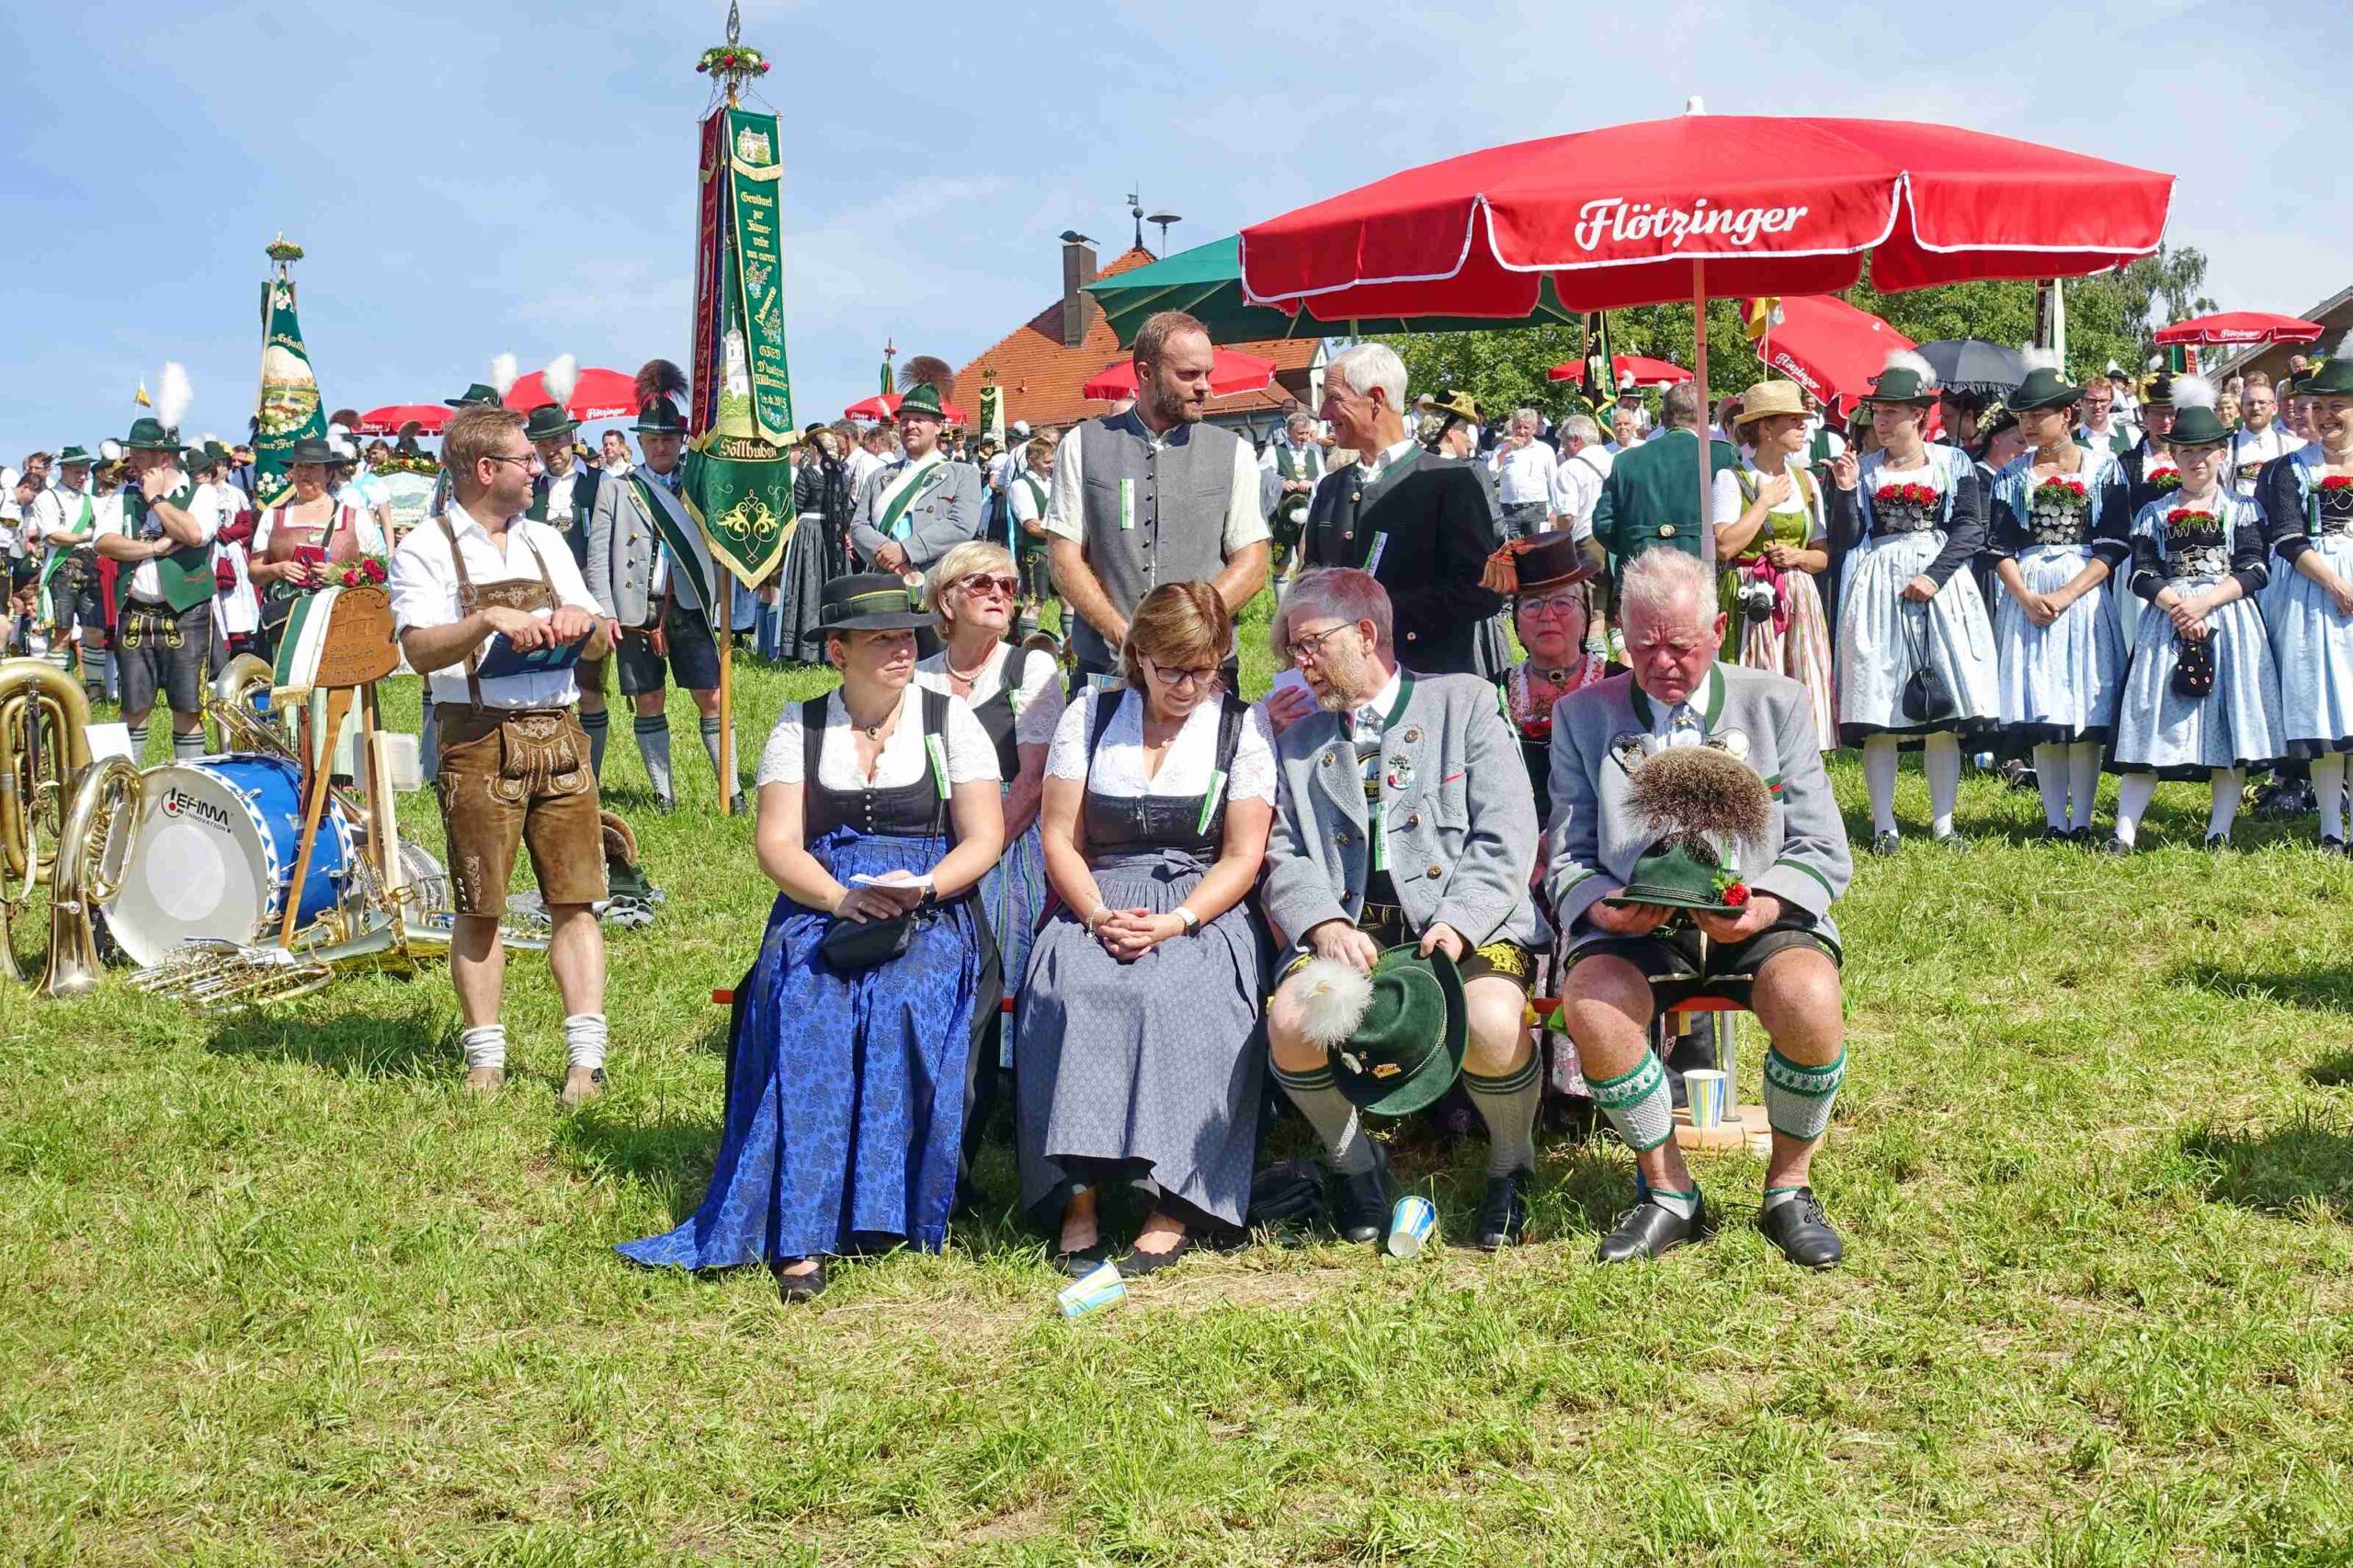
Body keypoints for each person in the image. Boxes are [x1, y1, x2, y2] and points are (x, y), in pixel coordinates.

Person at [618, 574, 1004, 1301]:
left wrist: (922, 888)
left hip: (930, 904)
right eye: (881, 639)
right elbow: (776, 844)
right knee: (808, 1003)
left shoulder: (951, 721)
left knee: (903, 998)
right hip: (822, 901)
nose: (902, 649)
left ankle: (879, 1209)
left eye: (906, 636)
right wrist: (839, 898)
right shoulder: (800, 725)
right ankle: (800, 1227)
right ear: (838, 651)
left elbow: (984, 837)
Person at [1547, 548, 1851, 1266]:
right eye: (1643, 646)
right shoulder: (1582, 716)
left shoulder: (1776, 702)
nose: (1662, 664)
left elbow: (1822, 845)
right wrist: (1602, 906)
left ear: (1718, 630)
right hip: (1634, 924)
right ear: (1619, 635)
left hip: (1761, 913)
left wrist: (1766, 906)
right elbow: (1567, 851)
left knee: (1810, 997)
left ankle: (1789, 1189)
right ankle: (1668, 1192)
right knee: (1592, 1004)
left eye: (1680, 647)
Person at [1260, 569, 1548, 1251]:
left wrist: (1460, 921)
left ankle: (1512, 1163)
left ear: (1366, 633)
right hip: (1348, 935)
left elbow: (1509, 830)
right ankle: (1355, 1164)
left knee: (1492, 1022)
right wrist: (1324, 922)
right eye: (1294, 649)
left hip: (1467, 925)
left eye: (1311, 644)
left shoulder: (1466, 702)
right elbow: (1282, 850)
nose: (1300, 662)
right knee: (1293, 1020)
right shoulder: (1296, 740)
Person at [1017, 582, 1273, 1277]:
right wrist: (1096, 913)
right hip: (1099, 894)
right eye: (1172, 671)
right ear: (1139, 658)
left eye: (1204, 670)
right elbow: (1059, 837)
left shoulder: (1241, 728)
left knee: (1178, 994)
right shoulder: (1091, 716)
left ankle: (1174, 1200)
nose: (1188, 687)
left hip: (1199, 904)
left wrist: (1177, 921)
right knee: (1070, 986)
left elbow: (1242, 855)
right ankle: (1078, 1197)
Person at [386, 404, 613, 1106]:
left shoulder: (546, 541)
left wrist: (583, 623)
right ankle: (485, 1063)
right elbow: (417, 649)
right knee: (480, 902)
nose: (537, 468)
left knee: (576, 898)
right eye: (525, 459)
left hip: (561, 733)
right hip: (477, 737)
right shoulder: (425, 548)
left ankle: (586, 1063)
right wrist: (485, 620)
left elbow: (601, 637)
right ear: (487, 470)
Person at [1827, 351, 2000, 852]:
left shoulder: (1952, 463)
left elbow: (1970, 529)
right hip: (1878, 585)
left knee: (1942, 713)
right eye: (1878, 412)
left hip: (1940, 586)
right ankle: (1884, 826)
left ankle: (1945, 824)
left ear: (1919, 415)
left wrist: (1934, 576)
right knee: (1878, 708)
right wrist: (1844, 493)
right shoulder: (1862, 469)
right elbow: (1847, 538)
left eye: (1892, 412)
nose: (1881, 421)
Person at [1043, 312, 1269, 690]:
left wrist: (1185, 629)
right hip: (1106, 665)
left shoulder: (1235, 452)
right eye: (1189, 374)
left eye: (1207, 374)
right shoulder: (1082, 444)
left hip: (1202, 668)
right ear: (1145, 374)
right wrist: (1121, 633)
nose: (1205, 387)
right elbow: (1064, 558)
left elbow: (1253, 564)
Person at [2108, 376, 2284, 852]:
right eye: (2187, 451)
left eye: (2206, 450)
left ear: (2223, 453)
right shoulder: (2154, 512)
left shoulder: (2243, 509)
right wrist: (2178, 607)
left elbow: (2255, 569)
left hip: (2228, 618)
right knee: (2149, 718)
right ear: (2173, 455)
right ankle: (2124, 832)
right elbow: (2141, 573)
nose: (2197, 459)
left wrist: (2205, 603)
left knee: (2229, 720)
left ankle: (2219, 830)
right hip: (2167, 620)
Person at [915, 540, 1063, 1082]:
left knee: (1003, 909)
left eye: (1008, 585)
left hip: (1008, 829)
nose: (1000, 594)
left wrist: (978, 848)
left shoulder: (1029, 667)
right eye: (982, 583)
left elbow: (1034, 779)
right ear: (946, 600)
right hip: (930, 823)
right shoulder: (918, 676)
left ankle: (1001, 1065)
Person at [1984, 358, 2134, 840]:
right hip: (2028, 588)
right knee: (2042, 703)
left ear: (2067, 415)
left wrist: (2068, 593)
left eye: (2038, 415)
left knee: (2082, 704)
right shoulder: (2011, 476)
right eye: (2023, 416)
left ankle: (2084, 819)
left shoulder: (2104, 468)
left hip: (2083, 592)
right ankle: (2054, 820)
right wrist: (2025, 596)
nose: (2028, 424)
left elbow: (2113, 543)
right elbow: (1999, 546)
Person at [1290, 345, 1500, 682]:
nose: (1324, 413)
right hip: (1344, 686)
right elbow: (1310, 578)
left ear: (1375, 399)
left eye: (1333, 399)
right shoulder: (1331, 487)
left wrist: (1378, 611)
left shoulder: (1450, 481)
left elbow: (1483, 592)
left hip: (1424, 682)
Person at [585, 367, 730, 813]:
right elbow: (599, 556)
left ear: (681, 441)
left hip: (691, 604)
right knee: (648, 699)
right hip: (635, 610)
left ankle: (731, 789)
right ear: (641, 443)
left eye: (668, 439)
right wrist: (606, 611)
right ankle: (663, 795)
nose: (661, 447)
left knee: (712, 696)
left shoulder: (702, 486)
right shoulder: (617, 489)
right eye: (652, 440)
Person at [2257, 351, 2353, 848]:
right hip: (2312, 591)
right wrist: (2337, 584)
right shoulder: (2288, 469)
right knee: (2323, 711)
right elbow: (2288, 538)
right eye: (2318, 407)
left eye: (2336, 406)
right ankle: (2331, 827)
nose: (2325, 416)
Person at [97, 416, 230, 762]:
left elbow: (194, 534)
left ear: (164, 458)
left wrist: (156, 499)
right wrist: (152, 548)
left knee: (187, 707)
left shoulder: (201, 493)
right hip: (136, 610)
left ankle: (187, 782)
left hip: (187, 612)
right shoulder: (125, 494)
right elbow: (104, 541)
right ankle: (122, 782)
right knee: (132, 706)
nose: (131, 462)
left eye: (139, 455)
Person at [1714, 381, 1836, 748]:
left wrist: (1799, 557)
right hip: (1750, 595)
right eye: (1793, 420)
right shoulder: (1731, 478)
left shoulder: (1806, 480)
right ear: (1766, 427)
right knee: (1754, 680)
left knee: (1800, 675)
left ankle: (1801, 755)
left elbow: (1822, 556)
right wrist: (1763, 502)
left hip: (1798, 596)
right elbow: (1725, 546)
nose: (1803, 426)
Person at [522, 402, 608, 776]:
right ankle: (555, 769)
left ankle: (591, 774)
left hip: (587, 598)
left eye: (556, 440)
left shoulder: (600, 483)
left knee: (590, 689)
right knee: (549, 690)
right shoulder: (530, 490)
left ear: (571, 438)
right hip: (542, 603)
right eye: (542, 444)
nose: (551, 450)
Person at [1591, 381, 1741, 596]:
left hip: (1640, 576)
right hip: (1702, 575)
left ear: (1662, 417)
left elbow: (1603, 524)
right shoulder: (1723, 455)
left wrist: (1635, 545)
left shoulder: (1625, 461)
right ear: (1703, 416)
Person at [849, 381, 984, 600]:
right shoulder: (878, 476)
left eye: (919, 420)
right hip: (885, 580)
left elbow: (961, 526)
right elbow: (858, 526)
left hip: (937, 583)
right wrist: (889, 555)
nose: (910, 426)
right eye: (904, 420)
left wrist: (905, 550)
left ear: (938, 426)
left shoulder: (963, 474)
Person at [25, 444, 106, 697]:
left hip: (91, 568)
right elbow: (53, 536)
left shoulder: (91, 501)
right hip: (62, 569)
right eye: (78, 472)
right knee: (62, 632)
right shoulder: (46, 498)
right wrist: (89, 535)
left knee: (95, 630)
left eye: (86, 472)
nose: (83, 477)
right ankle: (58, 690)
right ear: (64, 469)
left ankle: (95, 689)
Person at [780, 424, 856, 663]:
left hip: (808, 534)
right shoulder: (842, 476)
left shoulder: (808, 474)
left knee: (808, 587)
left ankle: (806, 649)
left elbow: (795, 506)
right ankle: (833, 648)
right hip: (833, 535)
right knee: (829, 585)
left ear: (815, 448)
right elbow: (846, 511)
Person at [1259, 409, 1325, 581]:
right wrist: (1280, 483)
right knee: (1281, 561)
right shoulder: (1274, 451)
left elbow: (1324, 479)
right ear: (1288, 432)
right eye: (1300, 433)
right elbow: (1261, 476)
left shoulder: (1314, 453)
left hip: (1309, 514)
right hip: (1282, 515)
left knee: (1307, 561)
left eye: (1307, 433)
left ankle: (1301, 595)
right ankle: (1283, 597)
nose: (1305, 438)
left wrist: (1311, 483)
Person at [1004, 432, 1057, 638]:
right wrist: (1061, 532)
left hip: (1055, 552)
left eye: (1052, 461)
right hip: (1034, 553)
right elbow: (1032, 526)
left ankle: (1071, 652)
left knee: (1068, 601)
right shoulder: (1020, 486)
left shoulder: (1050, 483)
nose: (1051, 466)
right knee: (1034, 603)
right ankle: (1028, 648)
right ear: (1032, 461)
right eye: (1047, 462)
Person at [2227, 371, 2303, 504]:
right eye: (2250, 403)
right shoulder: (2226, 448)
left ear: (2275, 409)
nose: (2256, 408)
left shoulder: (2293, 446)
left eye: (2262, 403)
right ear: (2241, 409)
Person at [1487, 407, 1558, 543]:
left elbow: (1554, 482)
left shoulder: (1545, 450)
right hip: (1509, 510)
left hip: (1537, 509)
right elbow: (1491, 475)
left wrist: (1555, 510)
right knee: (1509, 551)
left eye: (1526, 427)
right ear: (1513, 428)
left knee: (1537, 549)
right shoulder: (1501, 449)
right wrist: (1504, 452)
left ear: (1534, 429)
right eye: (1518, 427)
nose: (1521, 431)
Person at [1549, 413, 1611, 544]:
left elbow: (1567, 517)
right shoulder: (1614, 459)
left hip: (1587, 540)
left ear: (1576, 440)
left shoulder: (1569, 468)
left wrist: (1556, 536)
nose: (1564, 450)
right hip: (1615, 536)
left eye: (1564, 444)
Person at [2078, 374, 2137, 459]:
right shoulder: (2070, 441)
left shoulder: (2131, 435)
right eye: (2092, 400)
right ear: (2082, 403)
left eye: (2103, 401)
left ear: (2111, 403)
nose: (2097, 406)